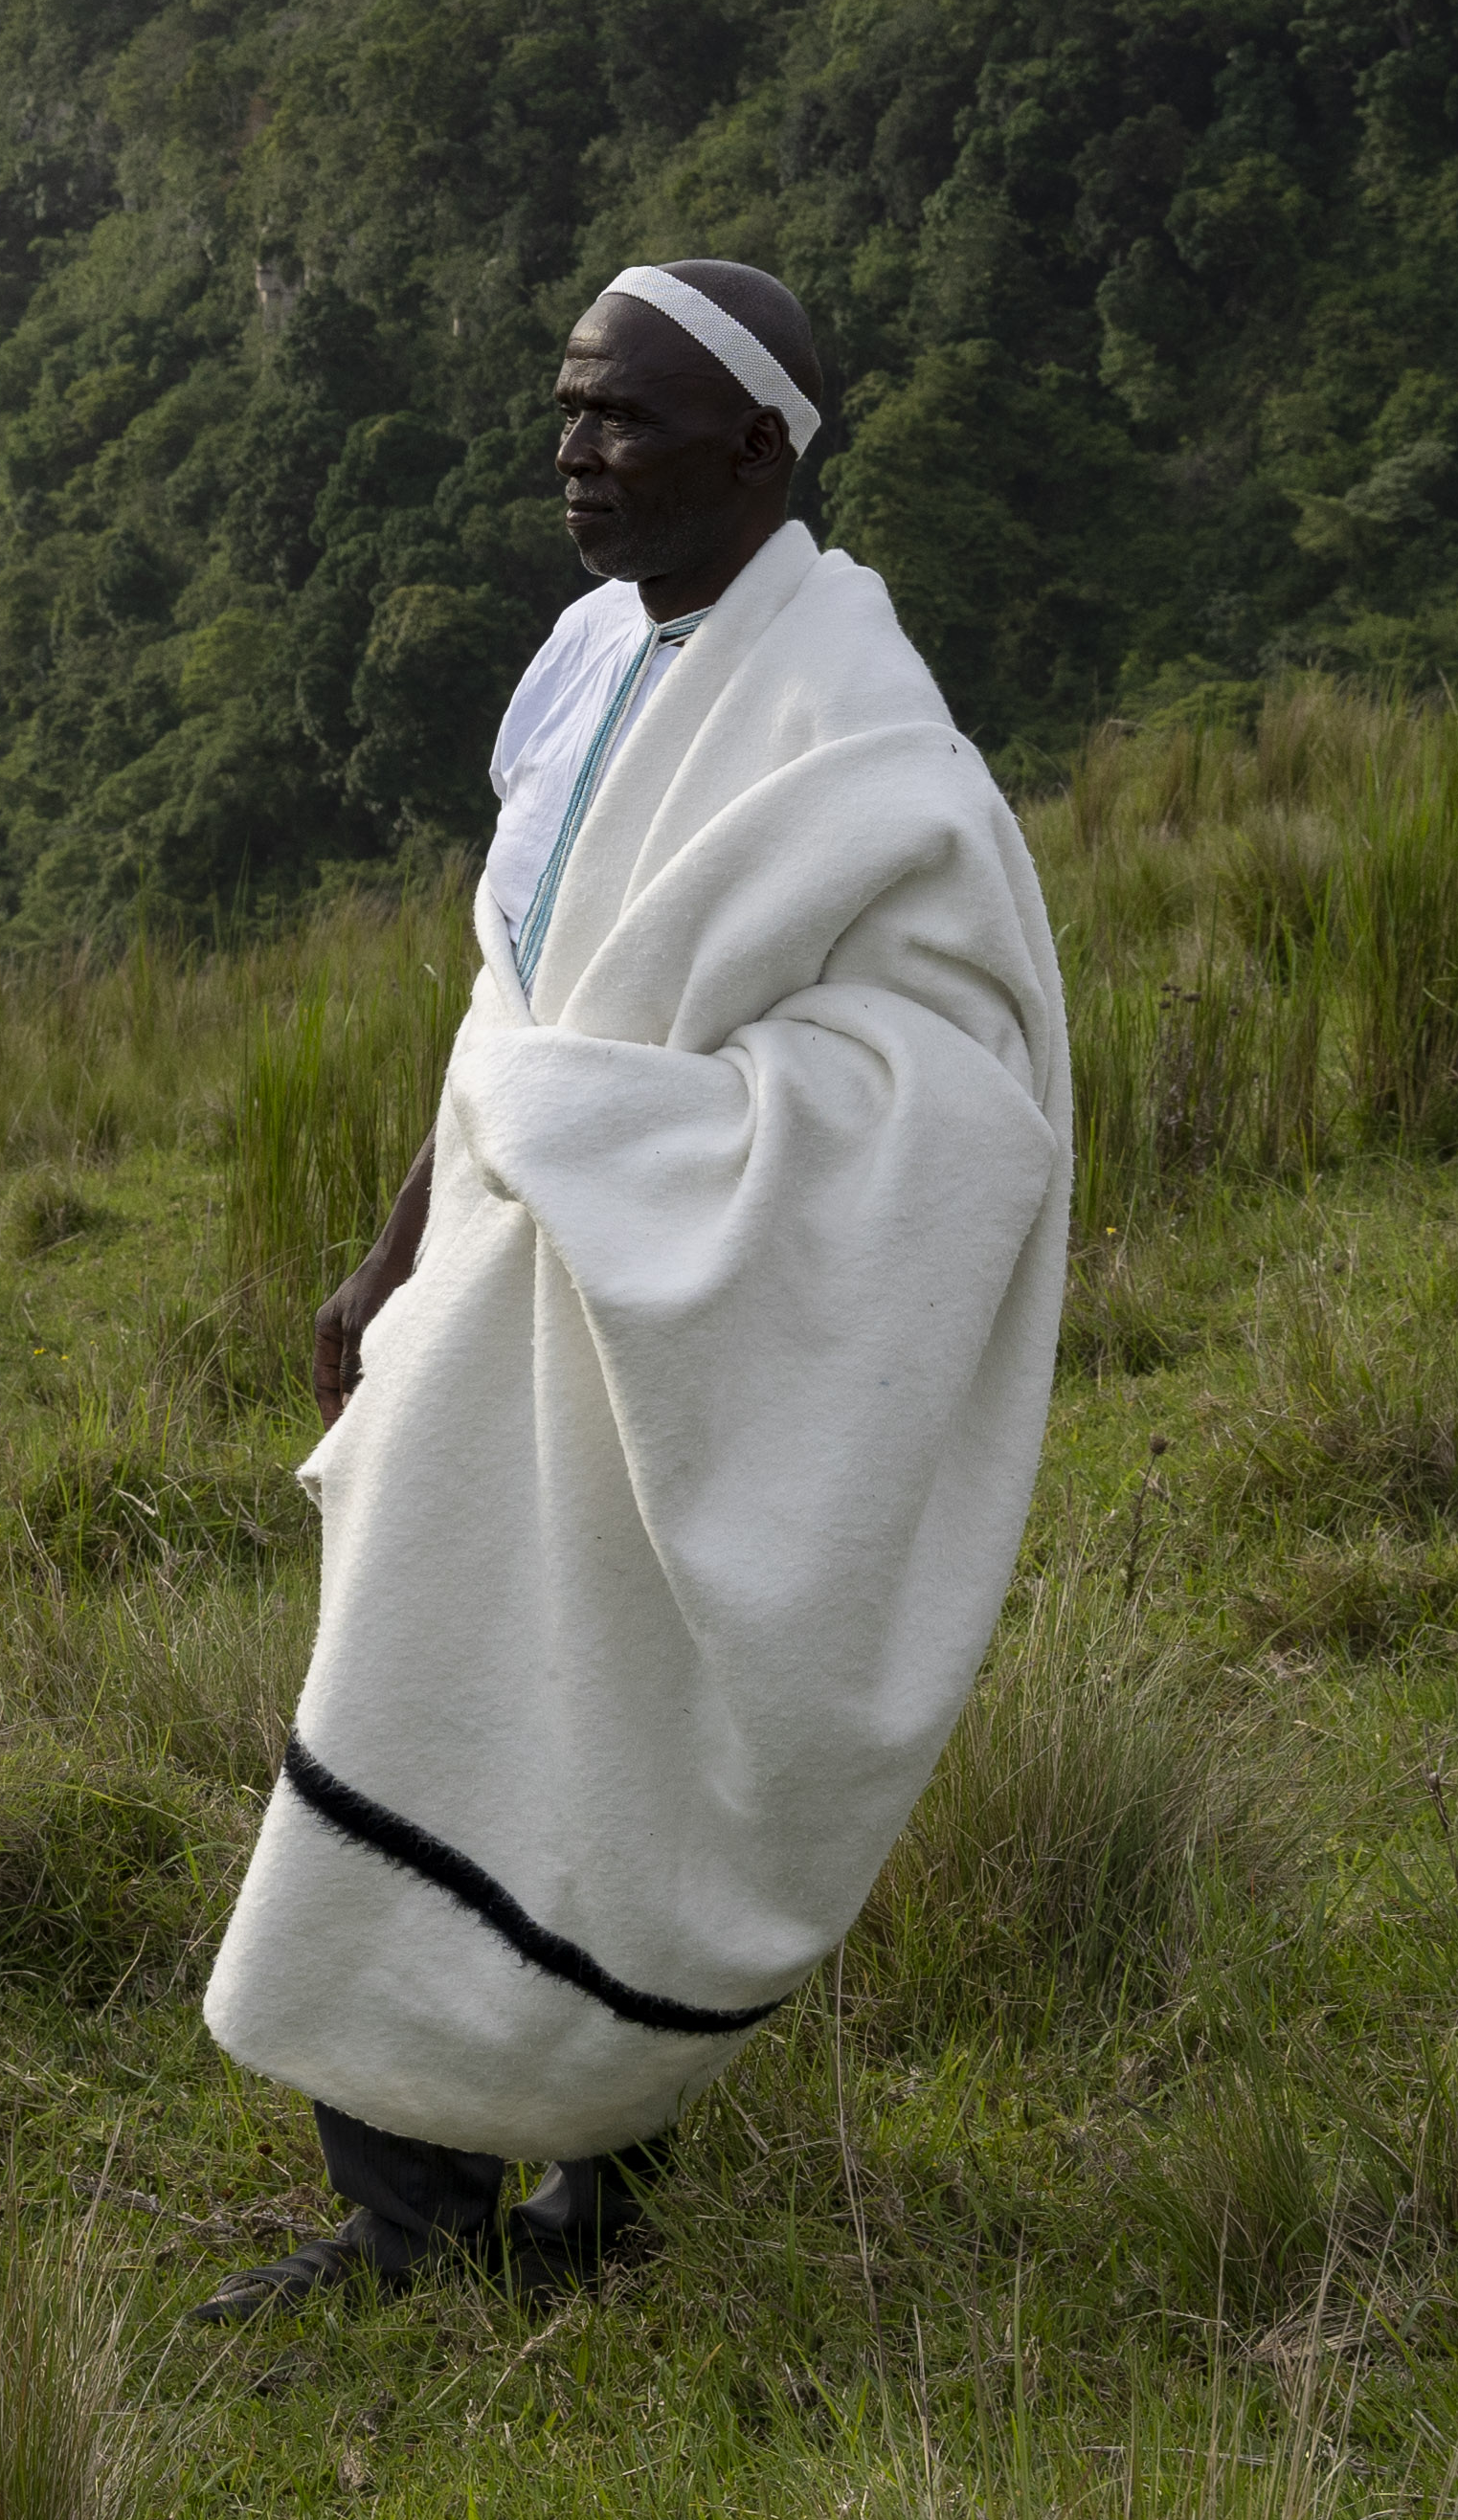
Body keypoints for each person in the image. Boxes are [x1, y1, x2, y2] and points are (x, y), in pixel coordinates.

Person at [191, 259, 1072, 2314]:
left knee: (627, 1727)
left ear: (760, 451)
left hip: (666, 1303)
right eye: (569, 410)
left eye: (625, 420)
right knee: (432, 1695)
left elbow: (947, 1085)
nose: (574, 454)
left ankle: (583, 2182)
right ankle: (416, 2220)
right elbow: (520, 983)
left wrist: (617, 1148)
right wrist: (406, 1232)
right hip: (509, 1278)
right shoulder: (595, 659)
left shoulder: (861, 729)